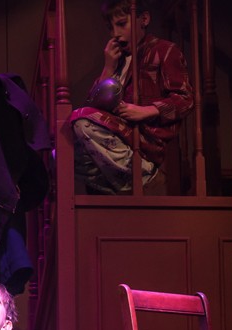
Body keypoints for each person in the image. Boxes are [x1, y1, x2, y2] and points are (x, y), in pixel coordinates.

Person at [70, 0, 194, 195]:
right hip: (117, 135)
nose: (115, 34)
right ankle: (122, 185)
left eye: (121, 24)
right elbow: (92, 106)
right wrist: (108, 68)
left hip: (144, 141)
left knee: (82, 124)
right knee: (61, 149)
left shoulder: (164, 50)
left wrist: (147, 111)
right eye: (111, 28)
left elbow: (185, 99)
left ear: (144, 19)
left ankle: (144, 175)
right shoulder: (117, 61)